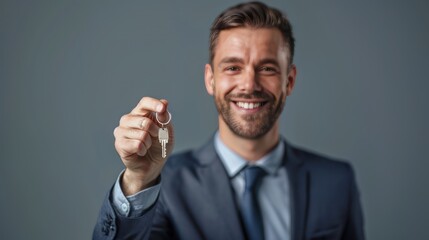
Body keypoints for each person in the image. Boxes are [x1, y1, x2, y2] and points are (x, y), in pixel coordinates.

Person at [93, 2, 365, 240]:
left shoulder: (336, 182)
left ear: (289, 80)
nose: (249, 84)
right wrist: (139, 179)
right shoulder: (165, 185)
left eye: (267, 68)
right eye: (233, 67)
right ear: (210, 79)